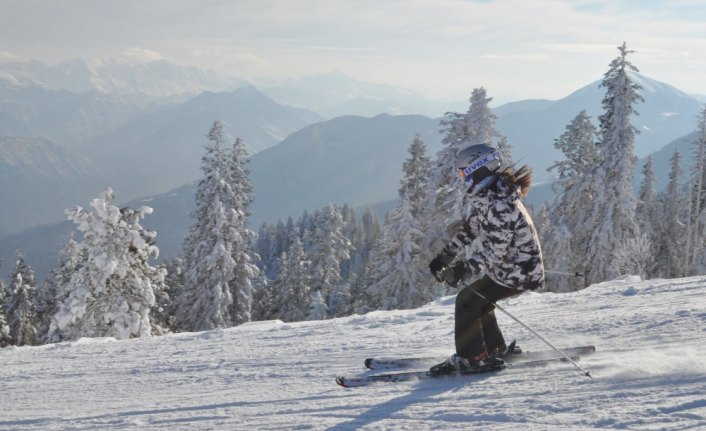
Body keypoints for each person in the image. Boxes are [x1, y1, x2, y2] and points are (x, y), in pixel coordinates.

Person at [428, 143, 545, 375]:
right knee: (478, 302)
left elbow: (496, 251)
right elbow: (472, 228)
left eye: (465, 174)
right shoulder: (490, 195)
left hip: (520, 271)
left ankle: (471, 358)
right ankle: (494, 349)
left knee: (467, 302)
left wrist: (463, 268)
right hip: (512, 268)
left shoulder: (499, 204)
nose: (463, 179)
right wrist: (445, 257)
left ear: (479, 170)